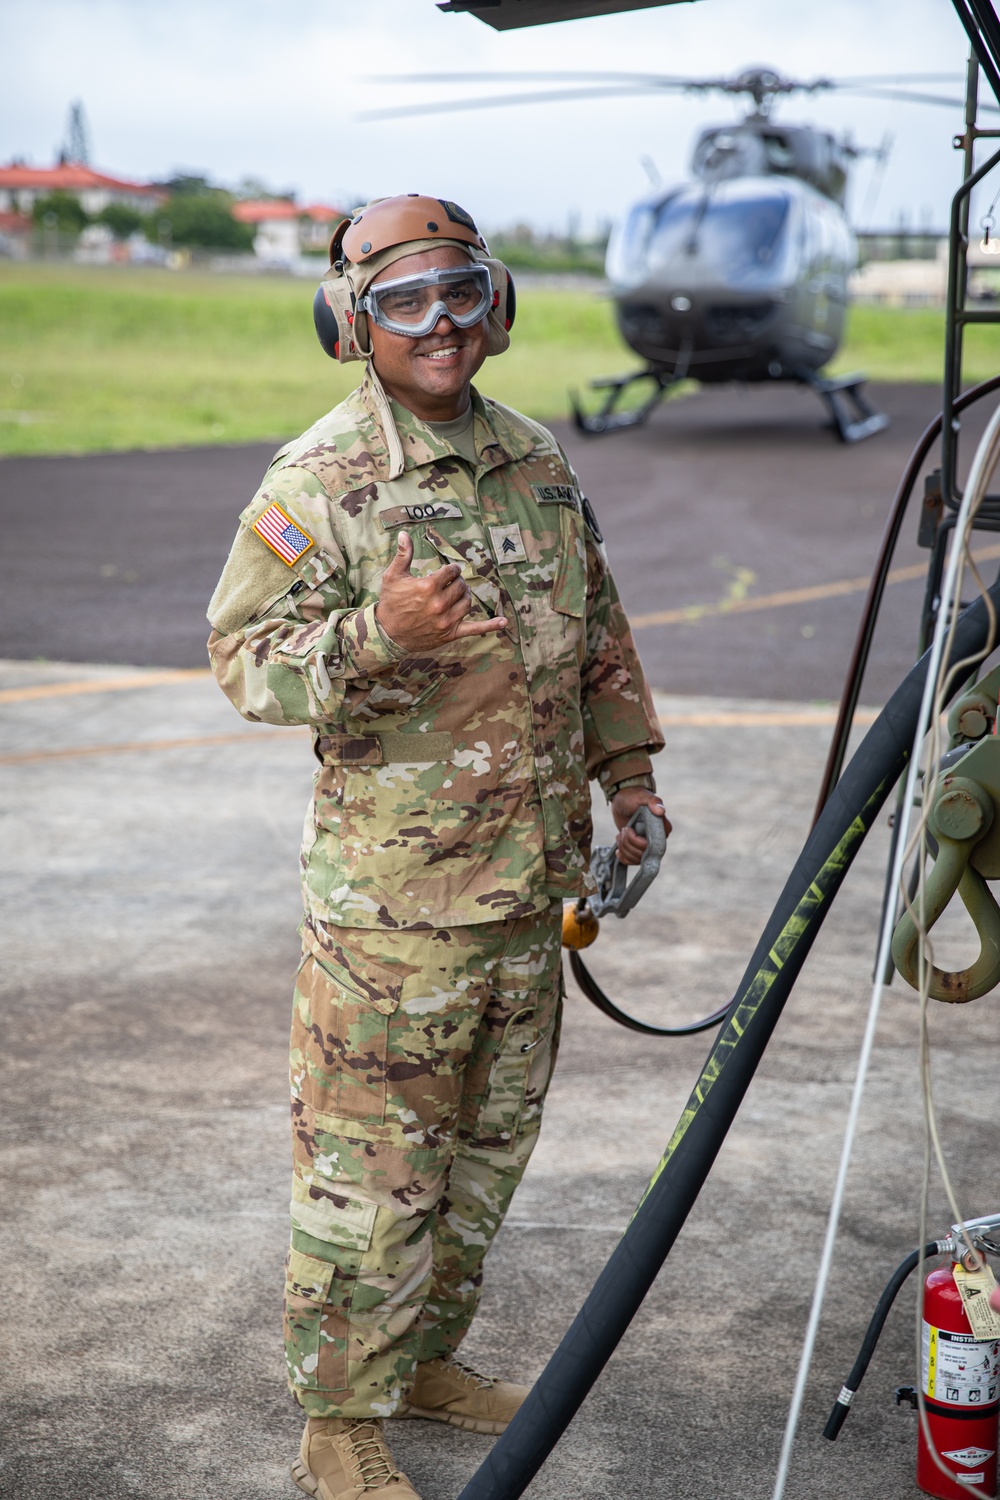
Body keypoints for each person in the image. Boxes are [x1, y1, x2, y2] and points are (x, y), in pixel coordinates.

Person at [207, 194, 668, 1500]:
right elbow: (239, 656)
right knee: (374, 1184)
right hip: (393, 920)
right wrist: (375, 638)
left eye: (463, 289)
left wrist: (628, 779)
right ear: (352, 327)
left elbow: (599, 631)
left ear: (499, 303)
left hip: (530, 898)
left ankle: (421, 1361)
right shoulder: (324, 478)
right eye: (405, 300)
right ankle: (337, 1421)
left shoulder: (534, 460)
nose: (443, 322)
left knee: (480, 1166)